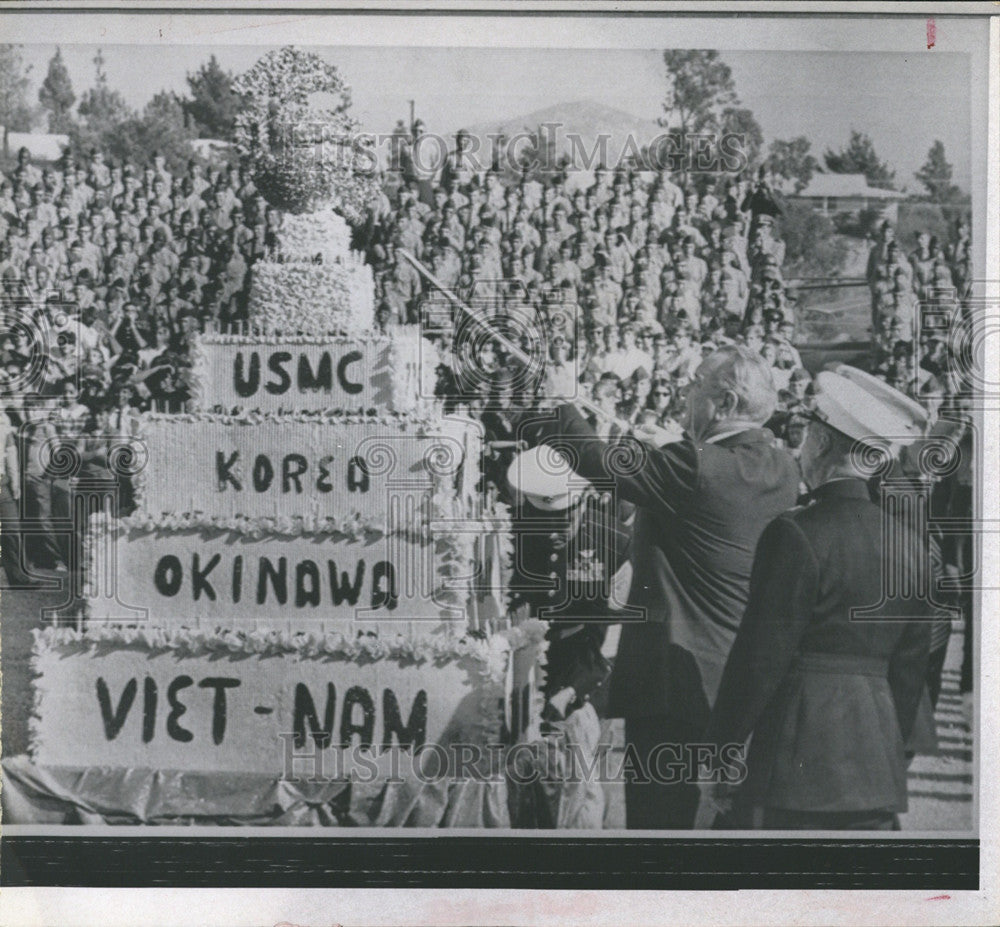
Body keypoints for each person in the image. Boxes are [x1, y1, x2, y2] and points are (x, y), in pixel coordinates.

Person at [545, 345, 800, 828]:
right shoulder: (781, 466)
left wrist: (561, 403)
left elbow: (600, 464)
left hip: (673, 687)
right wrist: (673, 449)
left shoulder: (696, 467)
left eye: (695, 385)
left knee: (660, 831)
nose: (686, 394)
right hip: (736, 681)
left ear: (722, 403)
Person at [702, 367, 940, 830]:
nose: (800, 449)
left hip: (794, 767)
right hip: (875, 773)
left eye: (807, 436)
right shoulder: (910, 545)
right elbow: (912, 671)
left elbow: (759, 657)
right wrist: (888, 751)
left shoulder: (794, 533)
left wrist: (723, 750)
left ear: (823, 444)